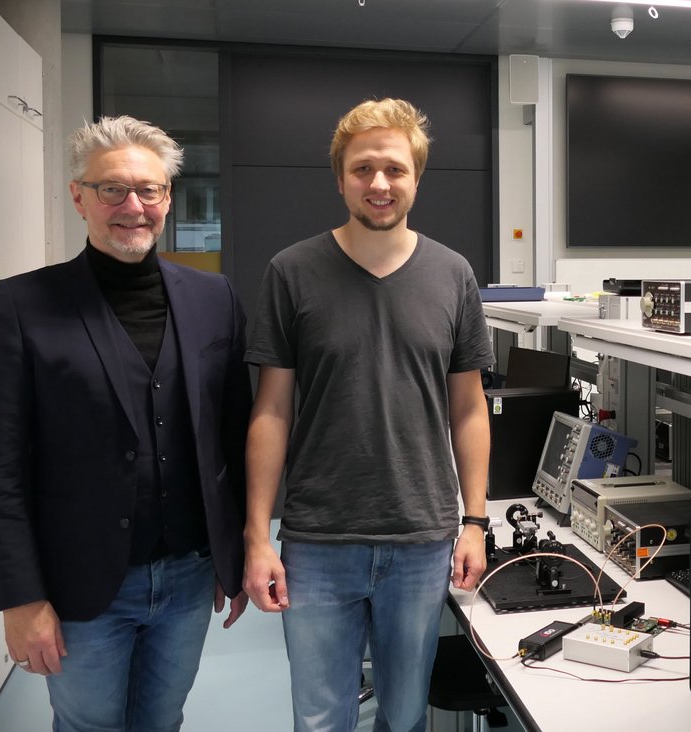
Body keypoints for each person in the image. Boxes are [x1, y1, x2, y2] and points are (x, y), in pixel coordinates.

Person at [0, 115, 253, 731]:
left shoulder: (214, 300)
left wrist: (233, 554)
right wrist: (20, 597)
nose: (133, 206)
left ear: (168, 198)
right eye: (111, 190)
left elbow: (231, 438)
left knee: (162, 720)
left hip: (187, 575)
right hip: (79, 585)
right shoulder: (24, 305)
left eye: (148, 190)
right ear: (80, 196)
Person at [242, 97, 492, 732]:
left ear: (416, 176)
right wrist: (256, 538)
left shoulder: (453, 275)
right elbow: (271, 411)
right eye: (362, 170)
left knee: (406, 717)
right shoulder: (292, 273)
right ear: (340, 176)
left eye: (394, 170)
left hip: (421, 539)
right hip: (319, 539)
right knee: (322, 719)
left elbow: (468, 408)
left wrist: (475, 521)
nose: (379, 184)